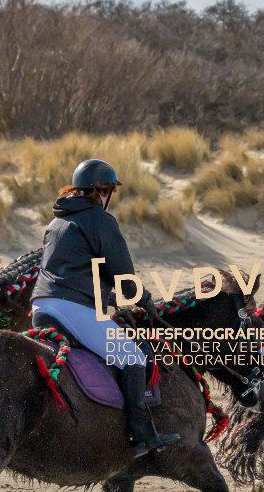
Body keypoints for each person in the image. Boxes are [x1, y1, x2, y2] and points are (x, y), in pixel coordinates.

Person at [30, 159, 181, 458]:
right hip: (72, 309)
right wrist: (146, 301)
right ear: (100, 191)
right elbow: (125, 277)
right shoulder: (100, 220)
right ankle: (141, 436)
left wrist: (105, 295)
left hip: (40, 307)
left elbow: (73, 268)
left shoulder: (56, 222)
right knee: (133, 357)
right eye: (108, 190)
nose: (108, 196)